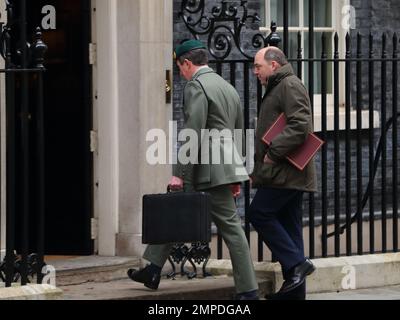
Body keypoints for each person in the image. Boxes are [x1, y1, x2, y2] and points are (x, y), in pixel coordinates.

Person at [127, 39, 259, 300]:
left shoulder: (196, 86)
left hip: (205, 168)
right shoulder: (227, 87)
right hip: (224, 167)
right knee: (176, 212)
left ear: (187, 63)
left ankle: (249, 290)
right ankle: (152, 269)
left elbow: (192, 132)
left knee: (231, 230)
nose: (180, 73)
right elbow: (239, 133)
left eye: (179, 67)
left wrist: (178, 172)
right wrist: (236, 173)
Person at [248, 46, 317, 300]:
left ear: (273, 65)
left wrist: (273, 153)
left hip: (287, 171)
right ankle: (294, 295)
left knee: (259, 212)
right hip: (282, 171)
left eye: (258, 66)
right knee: (290, 229)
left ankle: (298, 263)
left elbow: (301, 125)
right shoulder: (278, 86)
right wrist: (259, 170)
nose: (255, 71)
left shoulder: (289, 85)